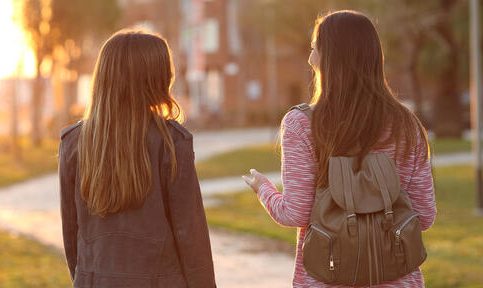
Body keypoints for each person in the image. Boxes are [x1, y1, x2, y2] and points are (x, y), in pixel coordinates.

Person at [243, 10, 436, 288]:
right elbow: (424, 216)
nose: (310, 59)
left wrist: (263, 188)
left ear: (329, 58)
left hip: (326, 278)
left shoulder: (302, 124)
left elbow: (295, 213)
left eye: (314, 50)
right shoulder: (407, 125)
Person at [58, 30, 216, 288]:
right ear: (156, 79)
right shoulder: (171, 141)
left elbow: (71, 236)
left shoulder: (73, 142)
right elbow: (191, 236)